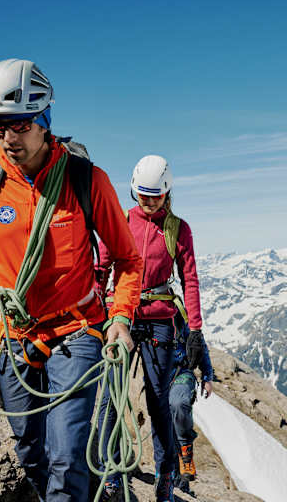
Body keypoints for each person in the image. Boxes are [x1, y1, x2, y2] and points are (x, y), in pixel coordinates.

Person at [0, 58, 142, 502]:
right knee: (31, 452)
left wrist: (120, 316)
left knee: (67, 455)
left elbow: (126, 258)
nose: (8, 138)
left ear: (45, 120)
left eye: (20, 125)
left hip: (76, 331)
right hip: (14, 336)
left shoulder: (86, 180)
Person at [95, 155, 206, 502]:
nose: (148, 201)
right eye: (143, 195)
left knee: (158, 402)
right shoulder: (121, 221)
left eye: (155, 196)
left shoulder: (178, 229)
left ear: (167, 192)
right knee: (111, 398)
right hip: (120, 317)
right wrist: (98, 309)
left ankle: (165, 479)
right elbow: (101, 268)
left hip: (160, 320)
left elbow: (190, 281)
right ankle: (109, 473)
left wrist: (196, 330)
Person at [169, 317, 214, 488]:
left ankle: (185, 451)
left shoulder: (180, 317)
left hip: (182, 373)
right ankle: (176, 481)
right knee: (165, 426)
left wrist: (207, 377)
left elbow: (199, 345)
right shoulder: (146, 315)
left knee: (179, 404)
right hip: (158, 376)